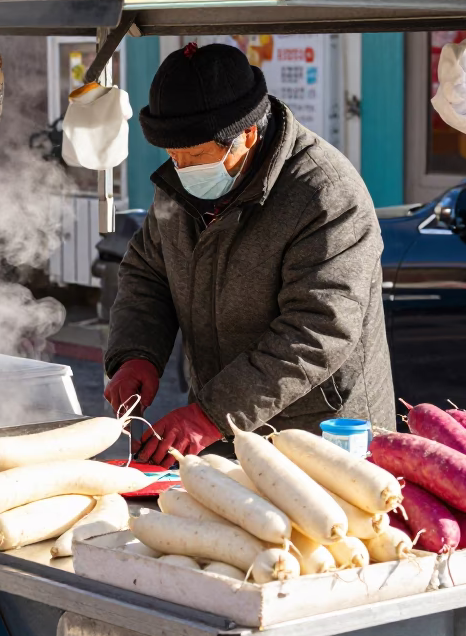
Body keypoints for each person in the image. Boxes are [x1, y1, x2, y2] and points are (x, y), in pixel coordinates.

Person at [103, 42, 396, 468]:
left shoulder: (325, 194)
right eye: (173, 156)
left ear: (248, 133)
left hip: (322, 439)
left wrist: (209, 414)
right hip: (220, 434)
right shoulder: (178, 186)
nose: (183, 170)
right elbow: (149, 272)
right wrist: (135, 354)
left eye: (197, 156)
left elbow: (317, 330)